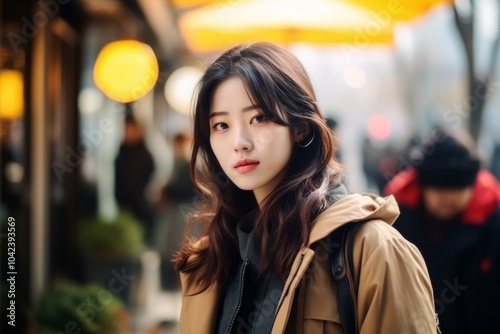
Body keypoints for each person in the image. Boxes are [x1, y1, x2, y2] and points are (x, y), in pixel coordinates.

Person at [175, 42, 437, 333]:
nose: (240, 142)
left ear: (300, 127)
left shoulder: (372, 250)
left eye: (258, 118)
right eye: (221, 125)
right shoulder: (210, 260)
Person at [384, 128, 500, 334]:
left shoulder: (492, 223)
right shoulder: (395, 224)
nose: (448, 198)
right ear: (423, 188)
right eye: (439, 190)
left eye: (458, 190)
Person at [114, 113, 155, 244]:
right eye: (127, 130)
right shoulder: (121, 152)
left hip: (140, 203)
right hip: (122, 202)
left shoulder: (145, 154)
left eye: (132, 130)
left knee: (140, 237)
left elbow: (149, 176)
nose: (129, 133)